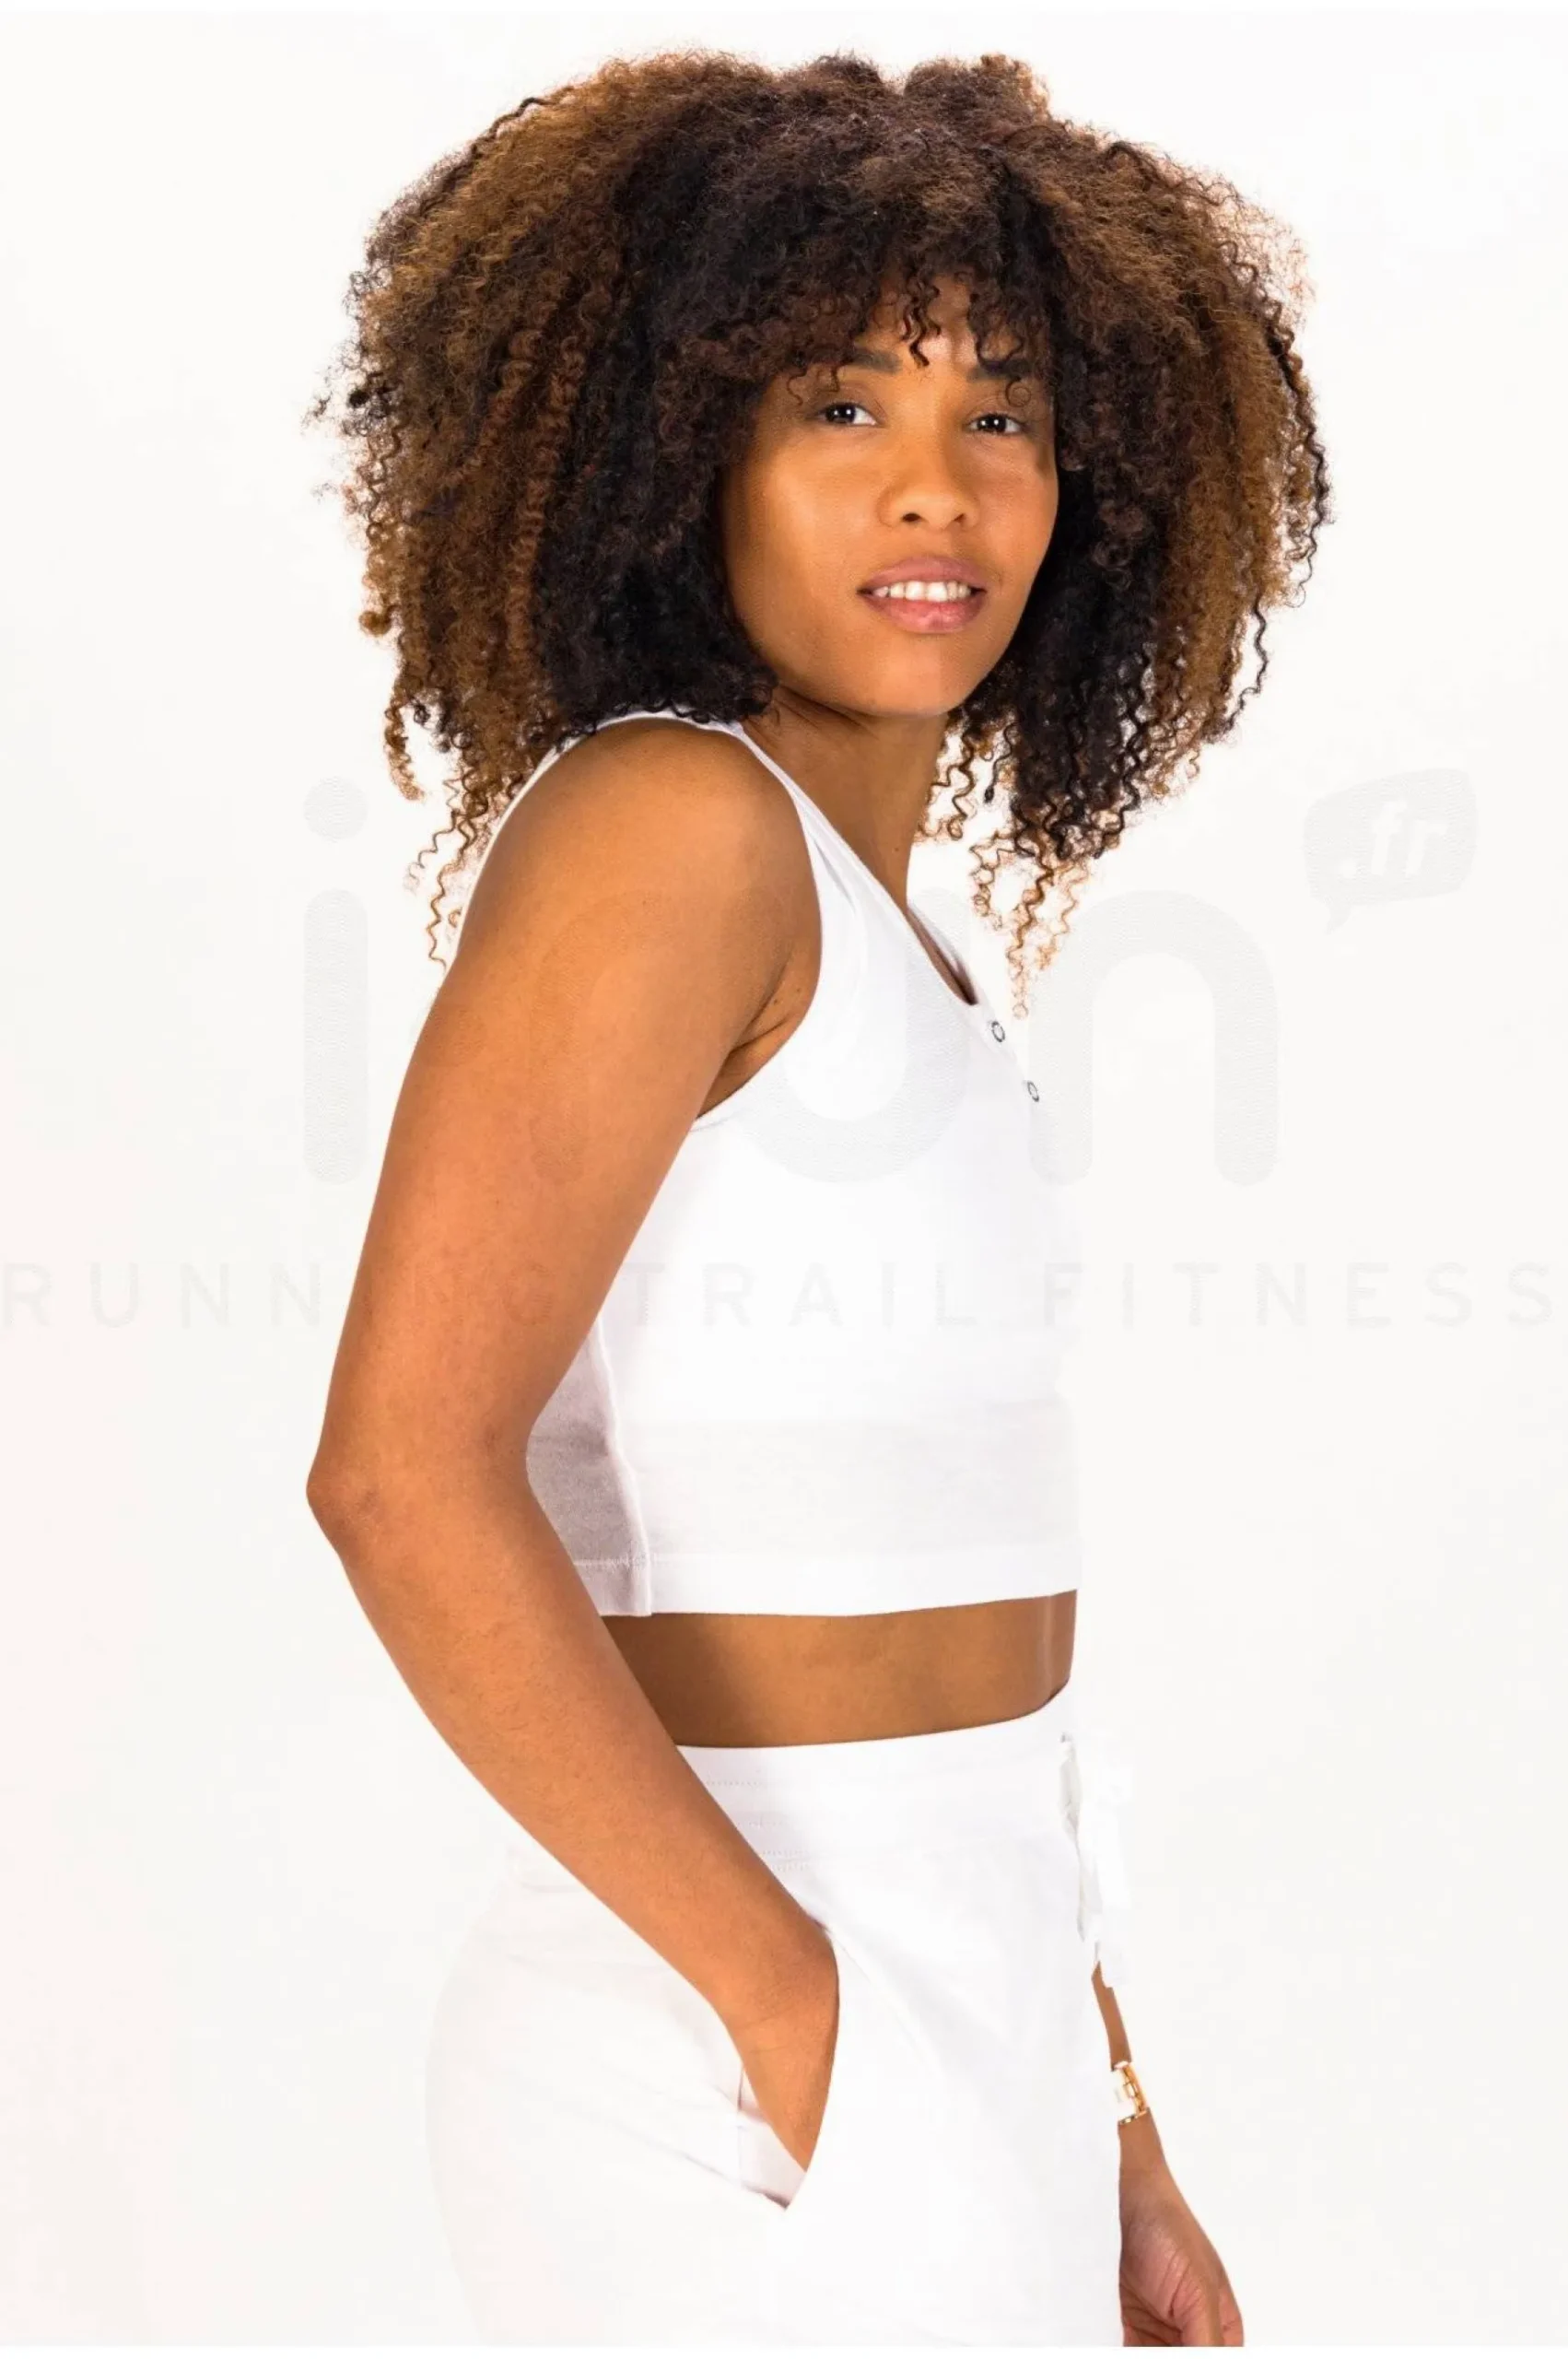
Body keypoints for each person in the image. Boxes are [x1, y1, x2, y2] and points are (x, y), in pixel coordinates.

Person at [304, 47, 1328, 2346]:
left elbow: (967, 1615)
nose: (933, 482)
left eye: (1001, 410)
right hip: (728, 2046)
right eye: (839, 404)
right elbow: (396, 1472)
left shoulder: (910, 940)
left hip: (969, 2008)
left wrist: (1102, 2111)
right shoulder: (669, 832)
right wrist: (795, 2019)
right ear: (684, 455)